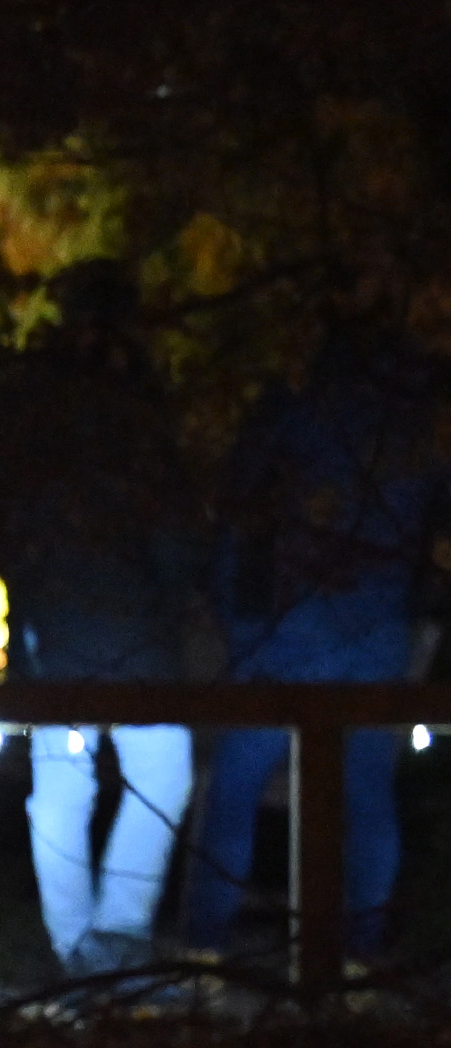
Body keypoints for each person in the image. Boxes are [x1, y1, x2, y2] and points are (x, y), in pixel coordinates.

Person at [179, 325, 447, 961]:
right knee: (367, 800)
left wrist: (234, 618)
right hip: (374, 642)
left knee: (235, 792)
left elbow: (238, 521)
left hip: (282, 638)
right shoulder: (411, 437)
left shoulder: (289, 418)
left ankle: (203, 953)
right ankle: (356, 956)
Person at [0, 260, 201, 974]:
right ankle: (113, 937)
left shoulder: (31, 407)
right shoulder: (138, 407)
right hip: (133, 621)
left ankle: (80, 947)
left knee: (64, 784)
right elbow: (169, 522)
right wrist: (178, 590)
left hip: (53, 622)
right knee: (161, 769)